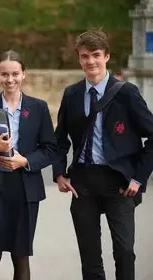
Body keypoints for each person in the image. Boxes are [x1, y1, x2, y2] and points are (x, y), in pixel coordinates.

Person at [53, 29, 153, 280]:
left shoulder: (126, 93)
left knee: (124, 251)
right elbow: (59, 138)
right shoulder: (72, 94)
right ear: (79, 59)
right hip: (83, 182)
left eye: (96, 55)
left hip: (119, 182)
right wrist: (59, 174)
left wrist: (138, 177)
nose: (90, 62)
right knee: (90, 256)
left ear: (106, 56)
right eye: (84, 56)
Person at [0, 50, 57, 280]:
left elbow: (50, 149)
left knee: (21, 255)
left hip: (24, 188)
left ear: (24, 74)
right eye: (4, 74)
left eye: (15, 73)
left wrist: (25, 160)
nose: (10, 79)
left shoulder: (38, 108)